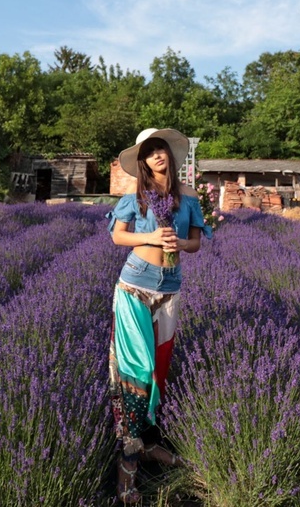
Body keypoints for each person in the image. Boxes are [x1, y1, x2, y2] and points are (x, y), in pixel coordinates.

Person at [107, 128, 212, 504]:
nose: (157, 156)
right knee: (136, 370)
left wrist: (181, 243)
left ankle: (149, 444)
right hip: (134, 287)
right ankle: (127, 473)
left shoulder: (190, 199)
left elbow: (197, 242)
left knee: (159, 370)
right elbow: (118, 236)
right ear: (143, 162)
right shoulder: (136, 197)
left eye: (160, 150)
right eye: (149, 153)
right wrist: (151, 238)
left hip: (170, 290)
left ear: (170, 154)